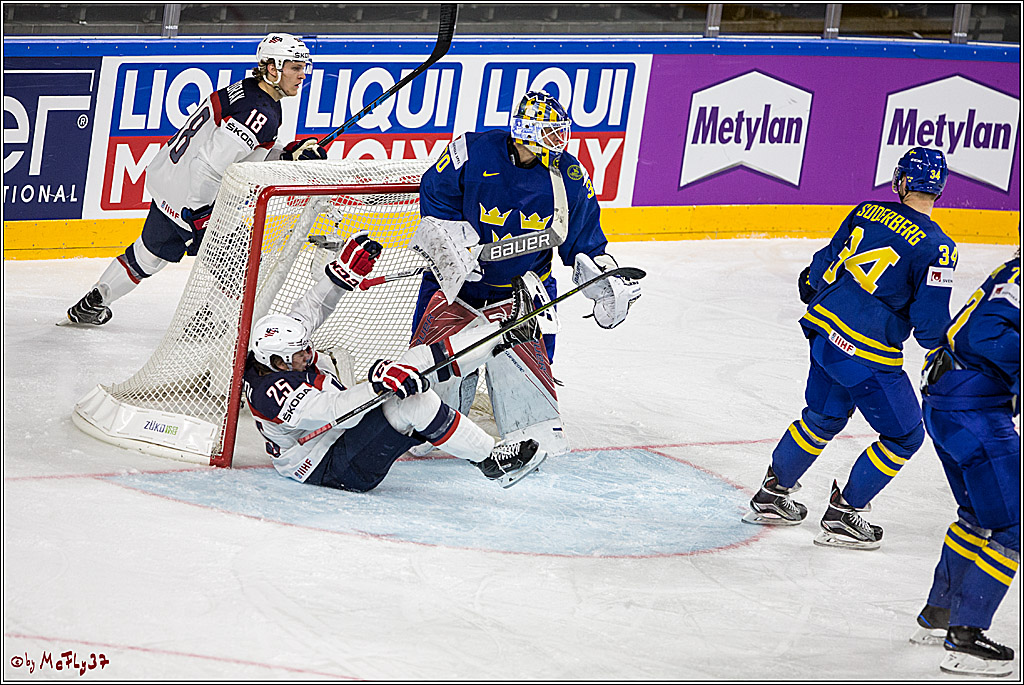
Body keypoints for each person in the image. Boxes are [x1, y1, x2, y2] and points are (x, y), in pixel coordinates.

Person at [742, 147, 958, 550]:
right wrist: (945, 350)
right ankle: (845, 512)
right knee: (905, 435)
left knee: (821, 419)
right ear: (940, 188)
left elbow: (820, 269)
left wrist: (821, 291)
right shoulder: (939, 248)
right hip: (867, 355)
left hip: (824, 335)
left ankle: (772, 494)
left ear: (903, 181)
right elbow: (930, 323)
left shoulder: (866, 210)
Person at [408, 89, 642, 453]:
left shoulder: (569, 174)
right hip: (457, 290)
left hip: (522, 293)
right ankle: (435, 419)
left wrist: (604, 279)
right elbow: (435, 198)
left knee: (536, 429)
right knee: (424, 423)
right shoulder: (472, 149)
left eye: (558, 131)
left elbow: (582, 239)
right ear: (524, 132)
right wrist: (455, 247)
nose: (558, 140)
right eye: (549, 132)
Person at [243, 230, 548, 492]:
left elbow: (310, 309)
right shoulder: (271, 393)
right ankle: (492, 461)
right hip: (329, 466)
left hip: (340, 438)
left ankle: (506, 333)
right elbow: (338, 412)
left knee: (414, 361)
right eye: (300, 355)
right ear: (278, 364)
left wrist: (339, 277)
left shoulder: (282, 351)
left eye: (307, 347)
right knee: (414, 400)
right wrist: (378, 386)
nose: (309, 355)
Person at [65, 32, 327, 326]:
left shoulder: (248, 90)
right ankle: (213, 326)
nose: (303, 74)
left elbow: (238, 151)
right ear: (272, 68)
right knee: (245, 268)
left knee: (147, 256)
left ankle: (96, 300)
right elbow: (209, 166)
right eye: (295, 67)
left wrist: (287, 154)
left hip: (171, 186)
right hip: (198, 199)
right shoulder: (260, 111)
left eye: (304, 67)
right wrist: (202, 216)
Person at [909, 249, 1019, 677]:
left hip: (950, 404)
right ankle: (966, 638)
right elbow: (982, 339)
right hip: (973, 414)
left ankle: (938, 616)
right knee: (1013, 525)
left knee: (976, 515)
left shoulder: (1012, 271)